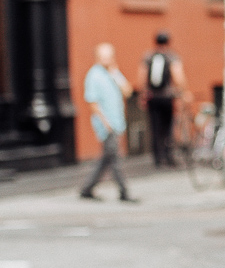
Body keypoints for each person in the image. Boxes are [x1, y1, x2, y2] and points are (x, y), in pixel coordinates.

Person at [80, 43, 137, 202]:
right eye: (104, 56)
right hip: (106, 125)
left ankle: (86, 189)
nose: (107, 59)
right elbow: (93, 103)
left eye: (109, 55)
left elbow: (128, 91)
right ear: (97, 57)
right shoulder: (94, 75)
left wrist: (115, 74)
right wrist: (106, 124)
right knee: (115, 159)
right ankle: (124, 192)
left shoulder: (114, 73)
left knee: (106, 159)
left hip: (117, 121)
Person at [140, 32, 186, 167]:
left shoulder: (148, 56)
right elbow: (177, 76)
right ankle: (168, 154)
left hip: (153, 97)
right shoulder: (171, 56)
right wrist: (183, 91)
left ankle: (157, 158)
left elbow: (142, 76)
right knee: (168, 127)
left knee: (154, 127)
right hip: (167, 97)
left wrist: (143, 94)